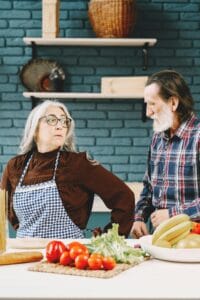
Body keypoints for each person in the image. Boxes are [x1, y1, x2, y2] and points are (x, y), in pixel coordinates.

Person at [1, 100, 134, 239]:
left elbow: (124, 197)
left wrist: (109, 239)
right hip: (27, 254)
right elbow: (7, 212)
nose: (60, 126)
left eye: (64, 121)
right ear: (35, 129)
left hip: (68, 255)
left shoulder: (78, 164)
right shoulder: (15, 167)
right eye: (51, 120)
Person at [131, 70, 200, 238]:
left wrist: (172, 214)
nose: (148, 113)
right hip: (160, 238)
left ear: (173, 103)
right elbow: (149, 187)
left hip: (193, 241)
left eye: (152, 104)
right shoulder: (158, 138)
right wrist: (139, 217)